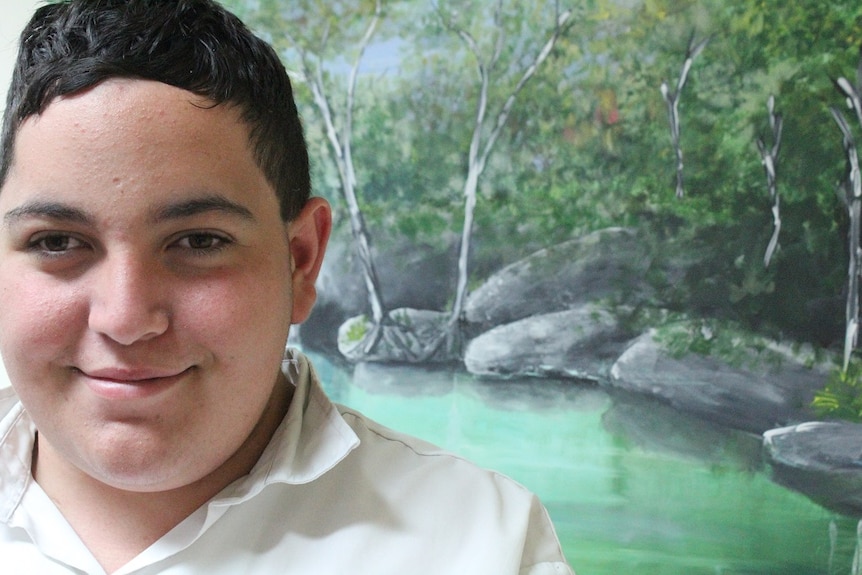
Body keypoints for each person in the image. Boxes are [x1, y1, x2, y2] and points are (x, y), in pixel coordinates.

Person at [0, 1, 574, 573]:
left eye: (198, 242)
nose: (124, 319)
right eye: (57, 243)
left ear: (300, 261)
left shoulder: (483, 544)